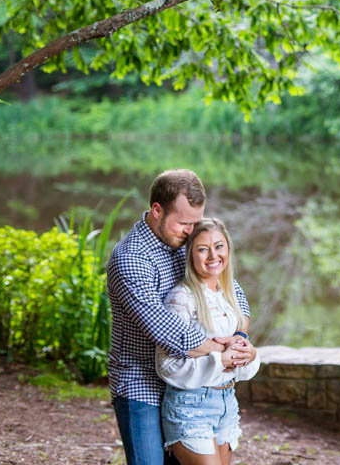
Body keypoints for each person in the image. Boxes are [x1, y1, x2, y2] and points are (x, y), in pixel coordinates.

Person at [107, 169, 255, 465]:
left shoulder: (185, 242)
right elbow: (170, 333)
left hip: (194, 385)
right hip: (143, 384)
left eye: (195, 222)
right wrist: (224, 350)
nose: (190, 231)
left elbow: (234, 296)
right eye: (184, 222)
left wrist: (240, 338)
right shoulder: (130, 259)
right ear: (157, 210)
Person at [156, 218, 260, 465]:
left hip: (226, 403)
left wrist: (250, 355)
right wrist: (219, 359)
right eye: (202, 248)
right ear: (189, 254)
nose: (213, 255)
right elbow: (166, 365)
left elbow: (239, 359)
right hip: (190, 406)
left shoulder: (229, 295)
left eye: (219, 246)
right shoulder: (181, 299)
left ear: (228, 249)